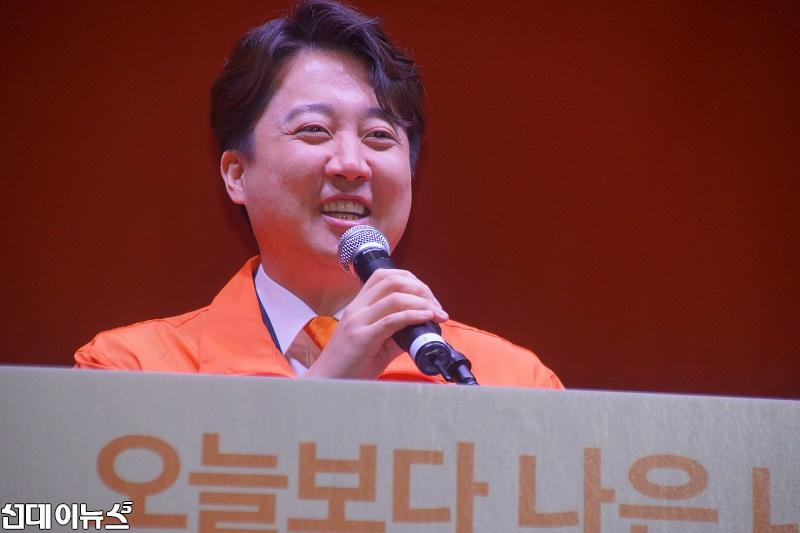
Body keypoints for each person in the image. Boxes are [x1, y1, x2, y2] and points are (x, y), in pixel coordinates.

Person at [74, 0, 563, 389]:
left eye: (379, 136)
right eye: (314, 130)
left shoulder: (511, 381)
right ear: (237, 174)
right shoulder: (129, 371)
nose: (351, 164)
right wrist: (333, 380)